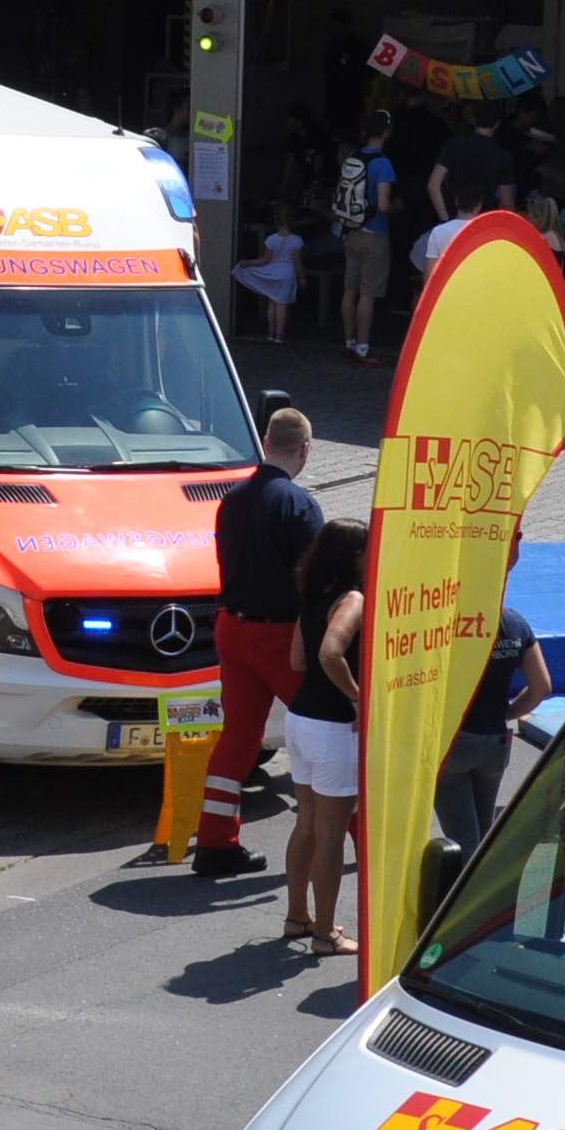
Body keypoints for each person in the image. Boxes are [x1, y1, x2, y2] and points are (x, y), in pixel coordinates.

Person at [191, 406, 321, 879]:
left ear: (267, 442)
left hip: (232, 627)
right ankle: (359, 838)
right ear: (304, 450)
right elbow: (316, 582)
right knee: (327, 730)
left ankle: (215, 843)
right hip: (282, 635)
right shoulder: (300, 505)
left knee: (238, 738)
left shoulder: (232, 498)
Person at [280, 520, 371, 955]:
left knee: (306, 824)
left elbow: (297, 661)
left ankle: (297, 916)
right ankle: (327, 933)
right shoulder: (352, 599)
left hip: (299, 718)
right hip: (335, 727)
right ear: (356, 556)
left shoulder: (312, 596)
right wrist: (358, 698)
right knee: (332, 833)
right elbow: (328, 653)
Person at [438, 544, 551, 849]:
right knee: (482, 831)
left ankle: (463, 895)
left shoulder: (446, 624)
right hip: (495, 741)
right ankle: (478, 887)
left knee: (461, 840)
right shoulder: (514, 623)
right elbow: (542, 686)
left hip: (455, 739)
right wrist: (507, 714)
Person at [335, 110, 400, 365]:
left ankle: (348, 343)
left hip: (351, 231)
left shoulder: (354, 157)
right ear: (385, 131)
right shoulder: (383, 163)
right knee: (368, 293)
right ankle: (363, 349)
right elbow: (383, 205)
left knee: (349, 290)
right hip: (375, 234)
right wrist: (399, 207)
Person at [427, 100, 514, 230]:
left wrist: (445, 220)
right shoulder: (503, 156)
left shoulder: (453, 145)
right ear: (497, 124)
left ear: (473, 119)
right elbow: (506, 203)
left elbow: (433, 184)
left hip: (454, 218)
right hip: (485, 224)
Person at [231, 212, 306, 341]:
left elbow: (265, 260)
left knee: (272, 305)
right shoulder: (297, 240)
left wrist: (248, 262)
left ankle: (271, 334)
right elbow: (297, 261)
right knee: (282, 305)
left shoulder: (271, 239)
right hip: (287, 274)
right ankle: (280, 335)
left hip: (272, 273)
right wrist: (302, 276)